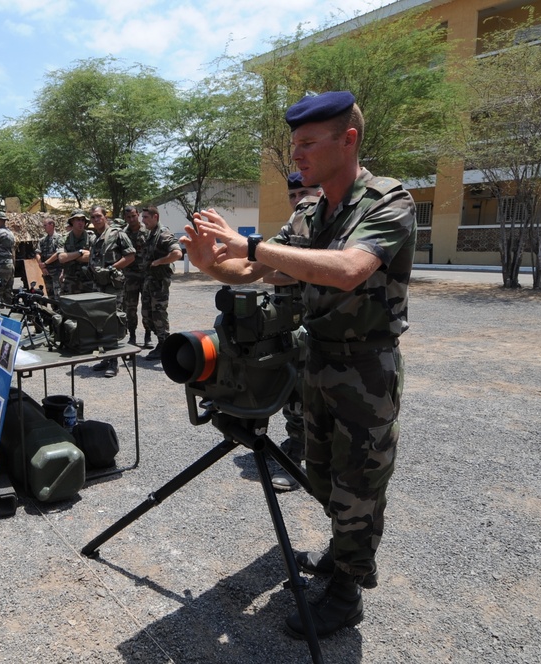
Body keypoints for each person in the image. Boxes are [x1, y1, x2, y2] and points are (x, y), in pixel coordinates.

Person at [182, 91, 416, 638]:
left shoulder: (388, 200)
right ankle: (342, 552)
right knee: (322, 476)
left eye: (309, 144)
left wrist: (250, 245)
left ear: (348, 140)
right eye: (296, 146)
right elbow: (261, 272)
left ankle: (348, 591)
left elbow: (347, 269)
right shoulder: (311, 211)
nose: (299, 156)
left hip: (367, 368)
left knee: (360, 483)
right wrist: (212, 265)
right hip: (315, 362)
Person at [266, 172, 324, 493]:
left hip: (322, 322)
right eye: (293, 195)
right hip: (290, 321)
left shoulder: (328, 221)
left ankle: (314, 454)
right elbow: (266, 270)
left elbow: (322, 268)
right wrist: (299, 269)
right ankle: (296, 450)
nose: (299, 199)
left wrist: (295, 268)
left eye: (306, 191)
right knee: (294, 389)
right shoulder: (293, 225)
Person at [87, 205, 135, 378]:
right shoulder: (94, 237)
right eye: (93, 217)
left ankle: (114, 361)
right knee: (99, 320)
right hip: (98, 284)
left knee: (112, 319)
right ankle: (106, 357)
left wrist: (111, 268)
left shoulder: (117, 234)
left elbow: (130, 256)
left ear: (105, 216)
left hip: (112, 284)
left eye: (98, 216)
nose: (96, 219)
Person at [138, 206, 182, 361]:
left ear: (155, 216)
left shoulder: (163, 233)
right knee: (147, 314)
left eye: (145, 217)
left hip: (159, 282)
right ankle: (162, 342)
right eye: (142, 217)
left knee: (158, 314)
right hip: (150, 280)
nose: (143, 220)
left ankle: (164, 344)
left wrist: (160, 262)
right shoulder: (151, 233)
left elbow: (177, 253)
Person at [121, 205, 151, 347]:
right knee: (130, 308)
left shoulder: (148, 231)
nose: (132, 219)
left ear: (138, 214)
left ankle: (148, 335)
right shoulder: (122, 234)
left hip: (146, 275)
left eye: (134, 216)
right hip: (130, 276)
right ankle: (132, 335)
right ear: (125, 218)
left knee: (147, 307)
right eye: (128, 217)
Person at [58, 209, 93, 296]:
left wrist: (70, 256)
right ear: (72, 221)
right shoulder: (64, 238)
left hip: (88, 280)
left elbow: (92, 257)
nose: (80, 222)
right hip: (70, 280)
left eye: (82, 220)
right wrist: (81, 252)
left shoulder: (91, 237)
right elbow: (62, 258)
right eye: (78, 220)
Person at [35, 216, 63, 299]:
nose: (44, 228)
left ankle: (59, 311)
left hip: (57, 272)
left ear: (51, 225)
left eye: (45, 225)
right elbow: (37, 253)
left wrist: (45, 263)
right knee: (50, 295)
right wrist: (41, 266)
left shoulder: (59, 238)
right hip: (46, 272)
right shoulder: (43, 240)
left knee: (58, 295)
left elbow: (58, 253)